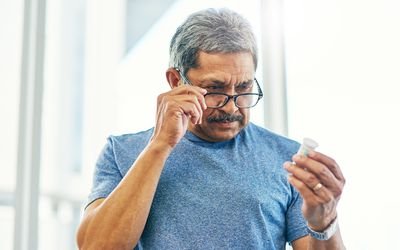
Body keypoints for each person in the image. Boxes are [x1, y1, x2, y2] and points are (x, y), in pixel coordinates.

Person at [76, 8, 346, 250]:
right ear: (175, 81)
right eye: (215, 89)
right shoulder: (122, 152)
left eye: (243, 88)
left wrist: (325, 224)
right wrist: (160, 146)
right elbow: (96, 247)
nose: (231, 108)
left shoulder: (288, 158)